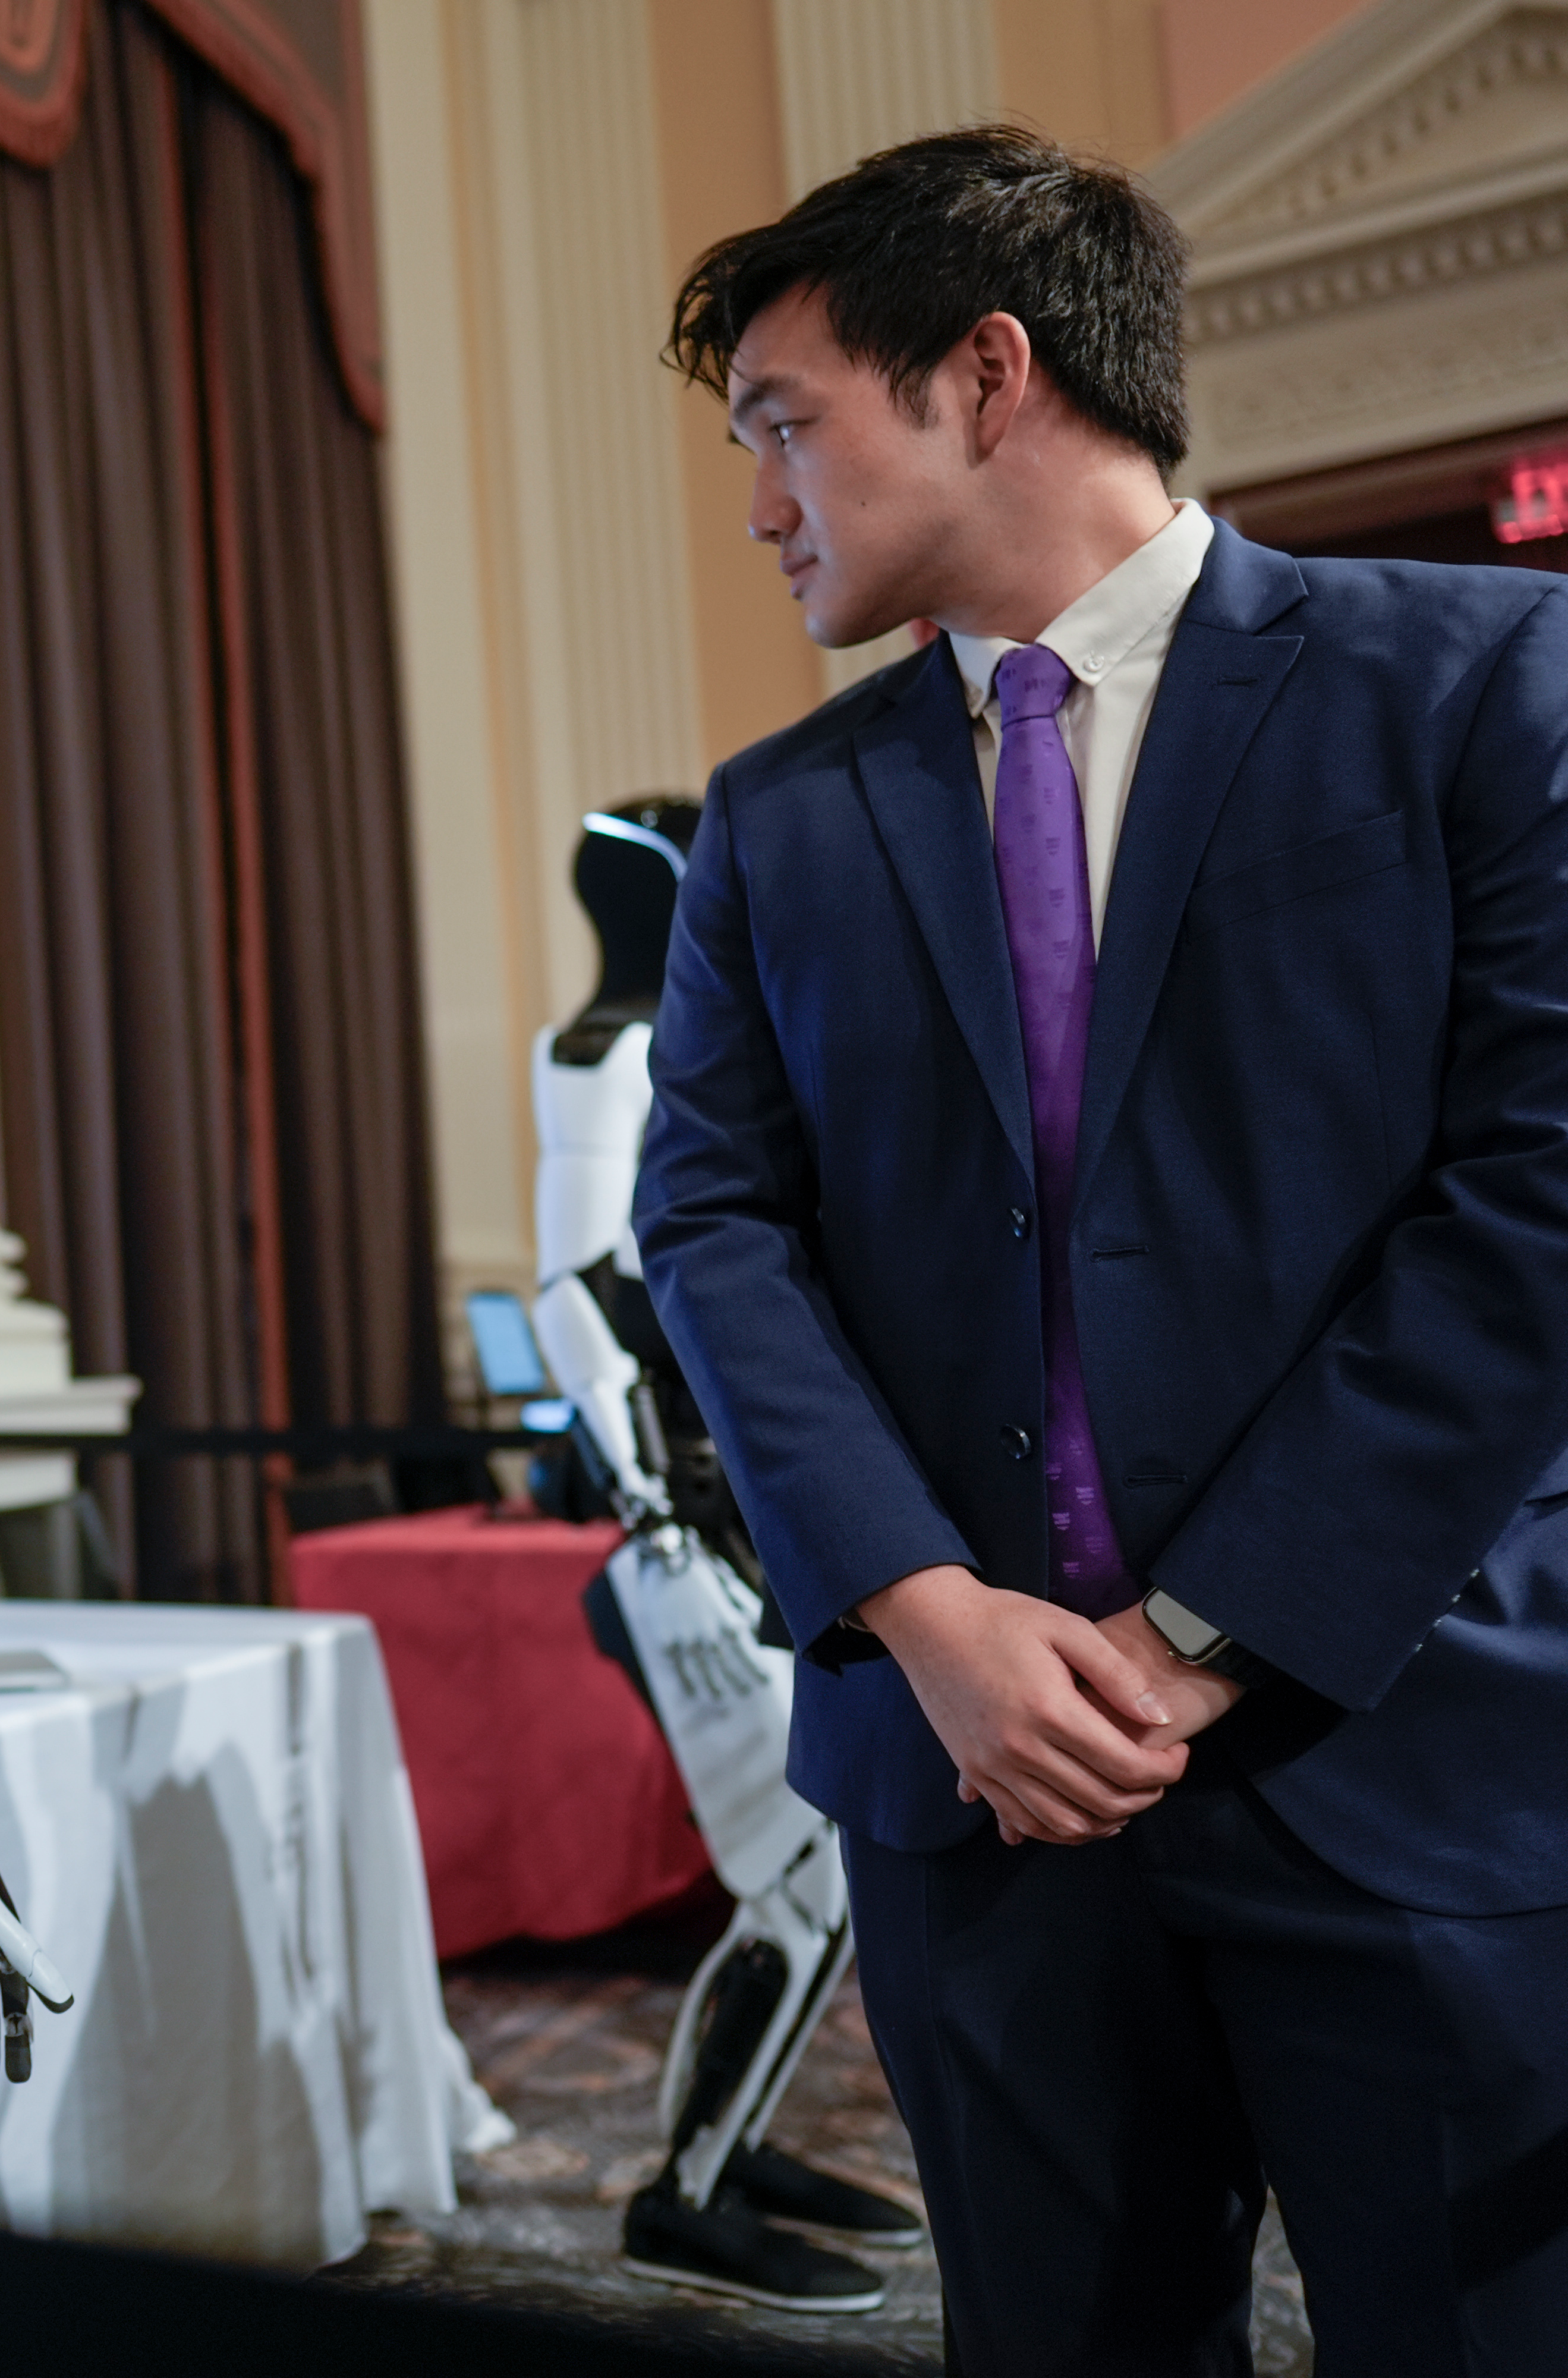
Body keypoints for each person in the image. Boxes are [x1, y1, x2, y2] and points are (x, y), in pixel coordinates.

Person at [637, 126, 1568, 2368]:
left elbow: (1536, 1188)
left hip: (1401, 1728)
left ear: (981, 372)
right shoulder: (779, 816)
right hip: (971, 1795)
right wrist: (927, 1612)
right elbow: (713, 1222)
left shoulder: (1484, 681)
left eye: (783, 422)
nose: (758, 496)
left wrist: (1196, 1629)